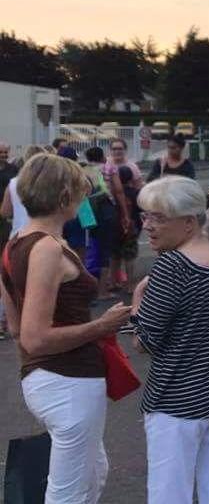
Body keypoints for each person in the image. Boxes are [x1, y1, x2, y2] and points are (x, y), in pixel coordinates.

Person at [0, 154, 131, 503]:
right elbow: (34, 336)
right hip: (68, 381)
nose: (83, 199)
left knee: (93, 473)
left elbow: (16, 330)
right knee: (67, 493)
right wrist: (102, 325)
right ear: (63, 198)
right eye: (79, 193)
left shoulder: (13, 246)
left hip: (47, 379)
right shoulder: (47, 249)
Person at [130, 175, 209, 503]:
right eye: (145, 216)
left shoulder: (172, 267)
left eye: (157, 218)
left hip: (177, 404)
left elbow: (147, 342)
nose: (147, 226)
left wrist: (137, 306)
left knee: (170, 495)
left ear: (188, 223)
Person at [103, 138, 141, 294]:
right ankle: (120, 282)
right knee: (122, 253)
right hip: (121, 220)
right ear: (110, 150)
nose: (117, 151)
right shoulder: (107, 166)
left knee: (117, 253)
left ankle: (117, 282)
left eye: (120, 149)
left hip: (122, 220)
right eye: (115, 149)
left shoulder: (132, 166)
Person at [84, 147, 118, 299]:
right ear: (102, 156)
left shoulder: (82, 171)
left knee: (89, 249)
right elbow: (117, 191)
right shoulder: (107, 168)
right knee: (105, 250)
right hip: (104, 212)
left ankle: (88, 289)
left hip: (85, 212)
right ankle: (102, 291)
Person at [2, 145, 46, 240]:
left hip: (18, 235)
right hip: (44, 235)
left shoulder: (14, 182)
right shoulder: (51, 183)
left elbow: (5, 212)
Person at [0, 141, 17, 338]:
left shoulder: (13, 170)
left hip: (7, 222)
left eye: (5, 152)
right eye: (1, 152)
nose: (3, 155)